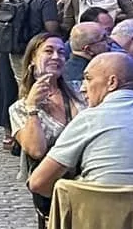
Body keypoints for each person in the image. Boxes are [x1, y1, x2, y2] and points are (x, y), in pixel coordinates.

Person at [28, 52, 133, 218]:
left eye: (88, 79)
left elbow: (38, 183)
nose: (83, 87)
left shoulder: (89, 120)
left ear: (112, 82)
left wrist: (73, 196)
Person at [9, 33, 82, 182]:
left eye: (61, 52)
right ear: (32, 58)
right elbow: (36, 151)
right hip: (52, 184)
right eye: (48, 51)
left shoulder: (81, 91)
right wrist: (32, 108)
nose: (56, 57)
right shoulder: (19, 108)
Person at [61, 20, 108, 94]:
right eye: (104, 39)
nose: (109, 41)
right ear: (88, 49)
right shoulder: (89, 77)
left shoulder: (64, 70)